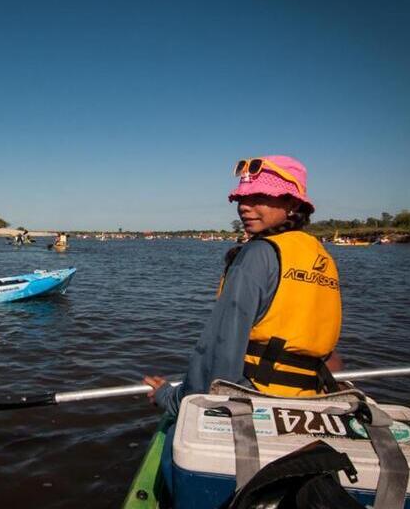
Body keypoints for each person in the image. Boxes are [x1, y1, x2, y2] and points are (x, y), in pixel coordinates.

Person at [142, 156, 343, 498]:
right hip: (307, 403)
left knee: (172, 448)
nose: (245, 207)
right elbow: (327, 352)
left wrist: (170, 397)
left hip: (258, 401)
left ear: (292, 204)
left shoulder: (258, 254)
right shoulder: (319, 254)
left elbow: (217, 355)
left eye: (260, 197)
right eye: (242, 198)